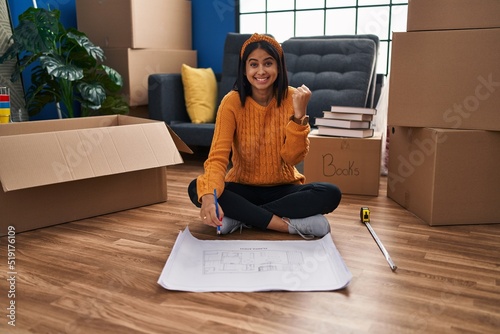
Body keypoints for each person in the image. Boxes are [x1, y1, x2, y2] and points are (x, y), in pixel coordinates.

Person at [188, 33, 341, 239]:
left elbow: (293, 158)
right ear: (244, 69)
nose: (261, 71)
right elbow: (217, 157)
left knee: (330, 193)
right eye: (253, 64)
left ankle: (241, 216)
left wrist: (299, 116)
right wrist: (208, 197)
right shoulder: (231, 102)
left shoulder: (292, 98)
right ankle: (285, 225)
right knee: (196, 189)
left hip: (283, 187)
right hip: (242, 186)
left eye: (268, 63)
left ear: (278, 66)